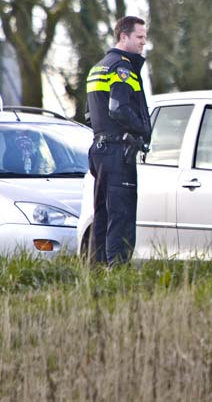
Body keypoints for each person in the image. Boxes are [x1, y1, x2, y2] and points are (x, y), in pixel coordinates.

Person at [85, 16, 152, 266]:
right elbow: (119, 108)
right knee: (121, 217)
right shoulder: (122, 68)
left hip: (100, 150)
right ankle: (117, 274)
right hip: (117, 151)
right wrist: (143, 129)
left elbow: (90, 114)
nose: (144, 42)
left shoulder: (97, 68)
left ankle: (97, 272)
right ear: (123, 36)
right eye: (139, 37)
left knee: (102, 215)